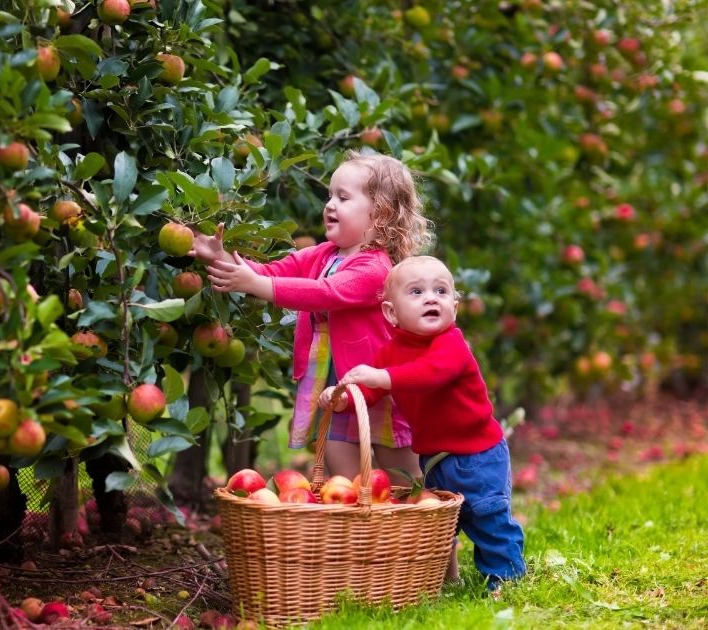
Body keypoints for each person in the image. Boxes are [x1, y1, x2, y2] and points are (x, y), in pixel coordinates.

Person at [191, 150, 433, 482]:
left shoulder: (376, 267)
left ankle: (428, 529)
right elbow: (269, 271)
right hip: (331, 386)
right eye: (330, 195)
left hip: (378, 389)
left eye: (343, 197)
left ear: (380, 213)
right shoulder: (321, 254)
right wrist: (222, 259)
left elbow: (327, 293)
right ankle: (355, 529)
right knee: (344, 481)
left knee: (403, 478)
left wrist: (258, 283)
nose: (330, 204)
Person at [319, 255, 526, 591]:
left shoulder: (451, 343)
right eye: (416, 292)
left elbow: (430, 374)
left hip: (478, 455)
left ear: (454, 308)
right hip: (434, 459)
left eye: (441, 291)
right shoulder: (390, 352)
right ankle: (436, 580)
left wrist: (382, 376)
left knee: (488, 516)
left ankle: (505, 578)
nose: (431, 298)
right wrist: (341, 398)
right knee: (442, 522)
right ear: (391, 313)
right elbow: (370, 391)